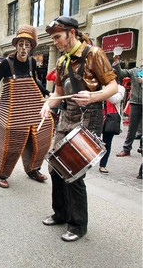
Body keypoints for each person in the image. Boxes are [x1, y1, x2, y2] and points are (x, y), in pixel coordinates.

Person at [40, 16, 117, 242]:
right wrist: (47, 105)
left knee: (73, 172)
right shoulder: (62, 61)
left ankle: (78, 225)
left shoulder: (94, 54)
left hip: (89, 116)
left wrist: (93, 95)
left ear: (71, 33)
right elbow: (56, 94)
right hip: (67, 115)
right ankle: (61, 213)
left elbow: (113, 86)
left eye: (57, 37)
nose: (54, 41)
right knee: (55, 165)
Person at [0, 25, 53, 188]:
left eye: (27, 45)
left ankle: (33, 169)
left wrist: (46, 92)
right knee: (11, 139)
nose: (24, 48)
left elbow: (35, 80)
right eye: (21, 44)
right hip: (12, 110)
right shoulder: (6, 63)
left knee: (42, 131)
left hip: (32, 107)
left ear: (31, 47)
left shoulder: (31, 62)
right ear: (16, 45)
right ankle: (0, 173)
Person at [112, 55, 143, 158]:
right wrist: (117, 62)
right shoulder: (135, 71)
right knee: (132, 128)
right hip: (135, 102)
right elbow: (121, 73)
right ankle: (126, 149)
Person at [99, 84, 125, 174]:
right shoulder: (99, 85)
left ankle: (102, 165)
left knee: (107, 143)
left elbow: (114, 100)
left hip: (111, 119)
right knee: (91, 140)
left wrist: (105, 90)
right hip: (98, 116)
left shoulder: (120, 88)